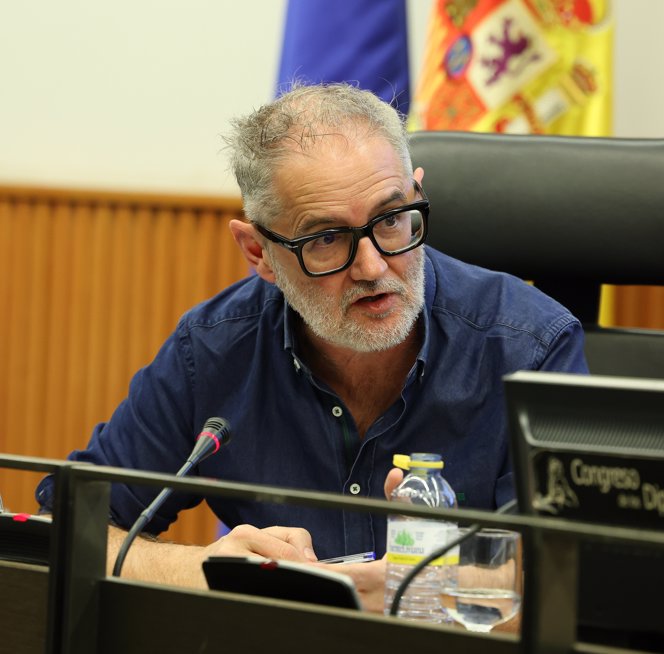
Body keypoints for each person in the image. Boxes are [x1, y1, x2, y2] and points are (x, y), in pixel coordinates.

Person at [36, 83, 588, 612]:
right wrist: (206, 570)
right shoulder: (211, 351)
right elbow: (67, 531)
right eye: (326, 239)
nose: (373, 268)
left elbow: (570, 575)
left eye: (392, 220)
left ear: (417, 193)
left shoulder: (530, 348)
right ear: (258, 253)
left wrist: (413, 584)